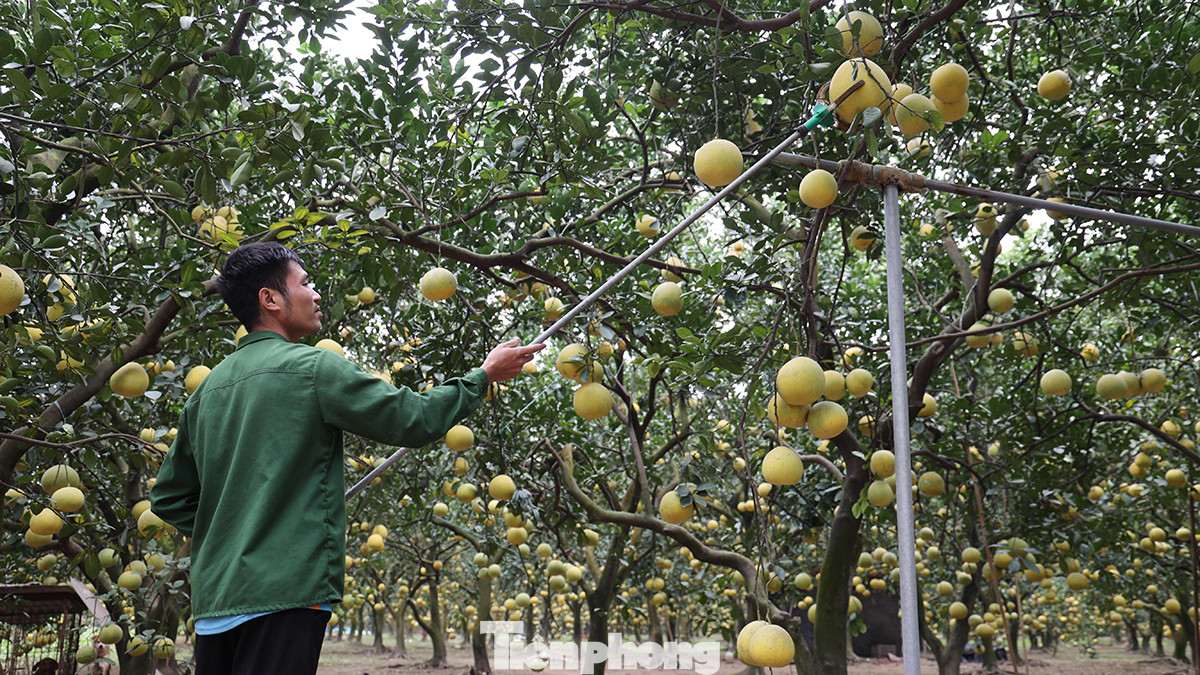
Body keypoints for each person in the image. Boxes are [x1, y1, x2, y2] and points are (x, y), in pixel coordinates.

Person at [150, 242, 542, 674]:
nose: (316, 295)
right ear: (270, 299)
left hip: (214, 603)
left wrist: (233, 522)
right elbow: (414, 419)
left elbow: (168, 498)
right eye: (305, 283)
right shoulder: (313, 368)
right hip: (284, 591)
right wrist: (483, 377)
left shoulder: (206, 391)